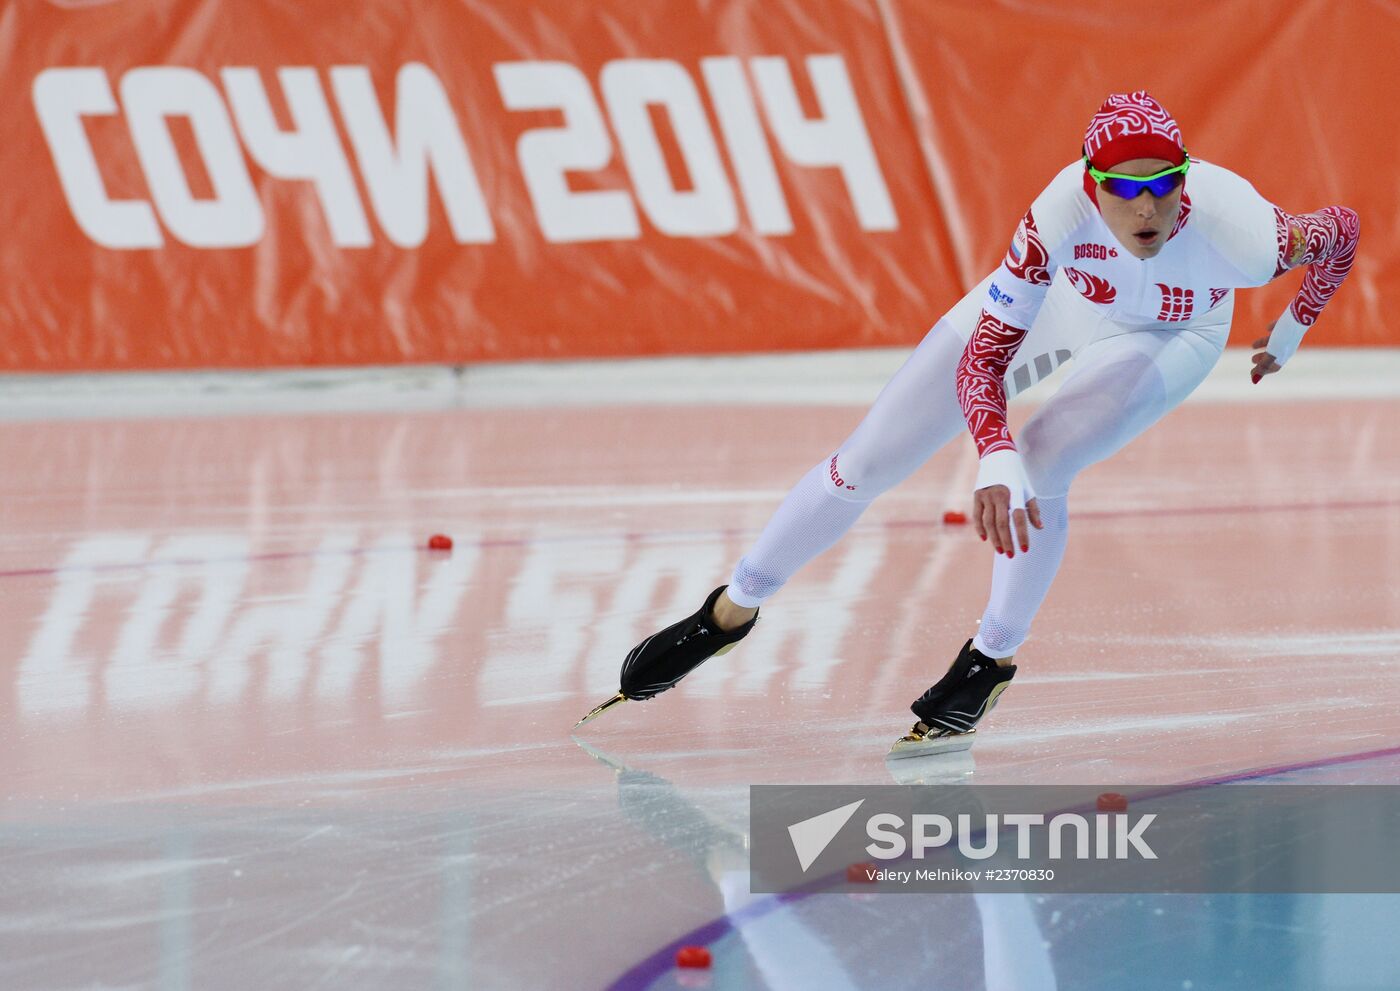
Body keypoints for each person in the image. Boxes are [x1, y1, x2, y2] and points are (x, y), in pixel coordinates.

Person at [575, 91, 1359, 756]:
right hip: (1066, 300)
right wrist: (991, 453)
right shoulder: (1057, 214)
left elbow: (1343, 232)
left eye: (1164, 184)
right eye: (1123, 188)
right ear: (1092, 186)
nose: (1147, 206)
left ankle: (990, 660)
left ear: (1186, 179)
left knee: (1046, 458)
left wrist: (1291, 325)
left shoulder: (1249, 234)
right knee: (868, 458)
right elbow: (982, 359)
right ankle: (729, 610)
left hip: (1171, 332)